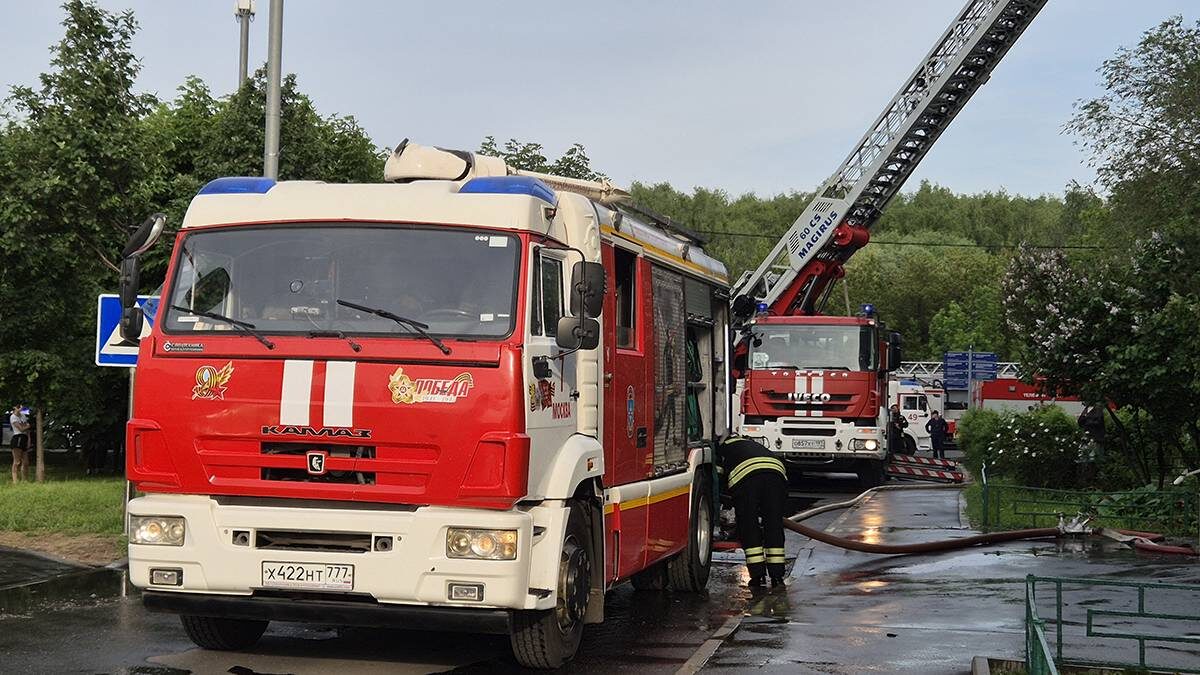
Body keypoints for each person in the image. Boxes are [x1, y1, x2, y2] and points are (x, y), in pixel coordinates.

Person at [718, 435, 789, 589]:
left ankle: (758, 575)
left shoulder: (722, 448)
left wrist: (724, 503)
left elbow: (718, 479)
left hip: (747, 479)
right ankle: (777, 576)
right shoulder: (753, 445)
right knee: (774, 524)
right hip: (777, 476)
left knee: (749, 525)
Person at [9, 405, 31, 483]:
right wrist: (27, 426)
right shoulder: (13, 417)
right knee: (17, 461)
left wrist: (29, 440)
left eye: (21, 407)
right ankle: (15, 481)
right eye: (18, 407)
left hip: (24, 438)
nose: (20, 408)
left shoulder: (23, 416)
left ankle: (24, 480)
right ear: (14, 408)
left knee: (25, 462)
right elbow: (21, 429)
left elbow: (27, 430)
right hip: (17, 438)